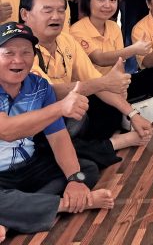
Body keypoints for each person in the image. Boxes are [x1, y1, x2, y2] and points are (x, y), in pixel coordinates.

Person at [0, 22, 114, 239]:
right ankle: (63, 205)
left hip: (29, 167)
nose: (18, 60)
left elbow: (58, 137)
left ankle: (11, 218)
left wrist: (75, 180)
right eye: (9, 53)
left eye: (26, 52)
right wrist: (60, 107)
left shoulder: (40, 87)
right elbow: (6, 131)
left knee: (85, 169)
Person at [20, 0, 153, 155]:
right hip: (33, 125)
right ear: (25, 14)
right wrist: (106, 82)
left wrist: (133, 114)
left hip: (68, 112)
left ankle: (93, 148)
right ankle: (111, 144)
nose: (56, 16)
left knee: (104, 105)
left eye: (61, 10)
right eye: (48, 11)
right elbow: (48, 92)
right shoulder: (20, 49)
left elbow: (95, 80)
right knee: (70, 125)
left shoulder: (66, 40)